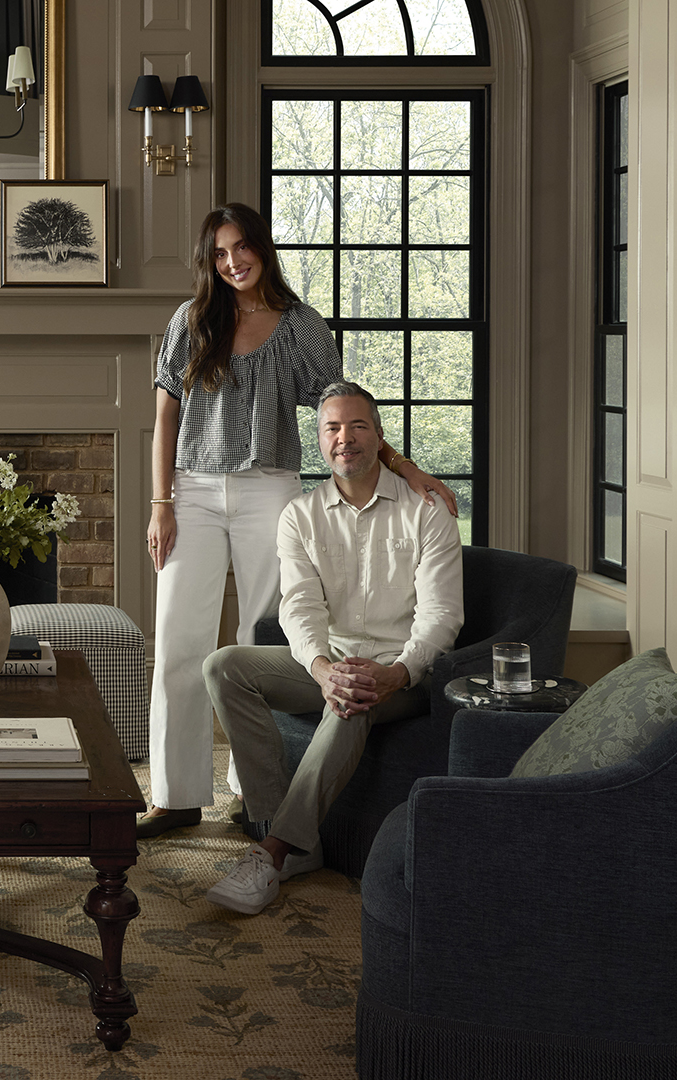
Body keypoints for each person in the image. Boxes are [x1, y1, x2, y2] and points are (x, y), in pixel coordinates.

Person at [141, 203, 455, 839]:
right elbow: (165, 417)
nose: (233, 263)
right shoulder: (190, 320)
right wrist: (162, 502)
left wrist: (408, 468)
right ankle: (175, 796)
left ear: (261, 247)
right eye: (220, 254)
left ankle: (249, 792)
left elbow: (343, 408)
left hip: (270, 491)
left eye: (241, 249)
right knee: (180, 639)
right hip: (193, 491)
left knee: (263, 635)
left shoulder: (302, 325)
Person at [200, 381, 463, 914]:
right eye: (332, 428)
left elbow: (443, 614)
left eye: (358, 425)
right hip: (333, 661)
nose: (346, 438)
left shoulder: (426, 509)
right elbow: (299, 607)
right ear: (319, 441)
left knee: (356, 692)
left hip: (404, 673)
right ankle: (295, 839)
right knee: (225, 666)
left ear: (380, 435)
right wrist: (321, 668)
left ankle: (271, 854)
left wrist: (399, 671)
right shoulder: (300, 515)